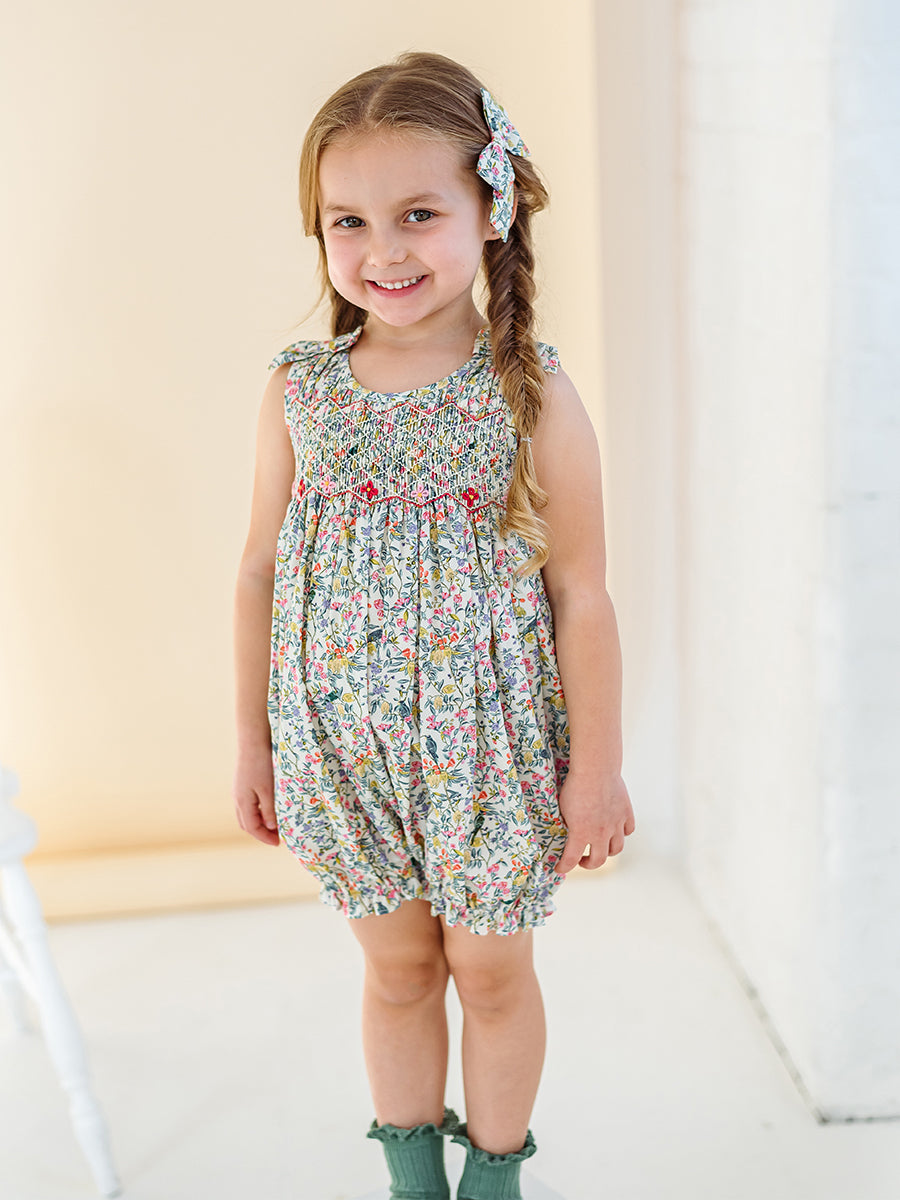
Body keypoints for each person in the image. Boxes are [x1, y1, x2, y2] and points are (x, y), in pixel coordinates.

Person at [233, 50, 635, 1200]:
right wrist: (255, 744)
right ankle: (413, 1183)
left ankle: (494, 1180)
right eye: (348, 221)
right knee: (401, 974)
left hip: (489, 755)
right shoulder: (300, 390)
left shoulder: (529, 390)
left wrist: (596, 769)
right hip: (342, 754)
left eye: (419, 213)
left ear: (490, 209)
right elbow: (259, 570)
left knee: (492, 976)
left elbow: (582, 592)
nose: (384, 249)